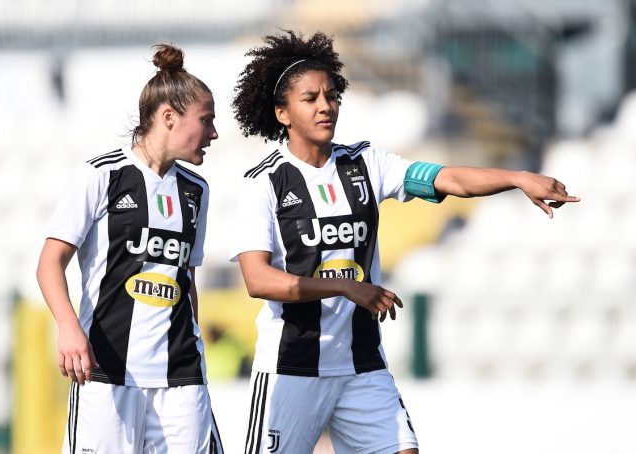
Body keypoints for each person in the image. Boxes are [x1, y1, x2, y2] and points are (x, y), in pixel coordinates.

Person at [230, 30, 579, 454]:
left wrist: (517, 178)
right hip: (291, 368)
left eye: (332, 95)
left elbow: (445, 178)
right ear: (282, 113)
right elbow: (258, 280)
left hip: (362, 367)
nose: (326, 106)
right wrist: (344, 286)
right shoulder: (263, 183)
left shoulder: (365, 164)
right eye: (310, 98)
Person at [36, 43, 224, 454]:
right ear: (169, 117)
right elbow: (50, 262)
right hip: (108, 369)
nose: (213, 133)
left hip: (181, 374)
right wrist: (68, 328)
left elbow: (185, 277)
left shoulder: (197, 191)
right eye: (206, 120)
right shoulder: (101, 175)